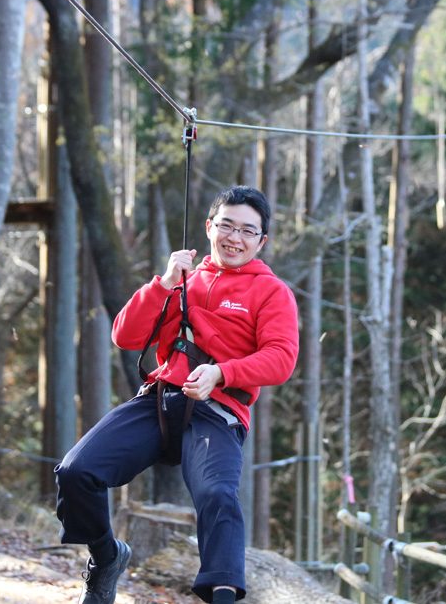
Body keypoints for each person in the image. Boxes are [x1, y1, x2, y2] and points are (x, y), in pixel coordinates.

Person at [54, 185, 300, 604]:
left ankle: (222, 596)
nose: (235, 238)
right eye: (226, 226)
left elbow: (281, 359)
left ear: (262, 241)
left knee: (217, 496)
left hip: (218, 412)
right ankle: (106, 557)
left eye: (247, 231)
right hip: (160, 399)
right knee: (76, 472)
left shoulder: (272, 292)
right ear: (209, 227)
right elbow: (125, 336)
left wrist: (221, 372)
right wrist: (164, 283)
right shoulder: (181, 280)